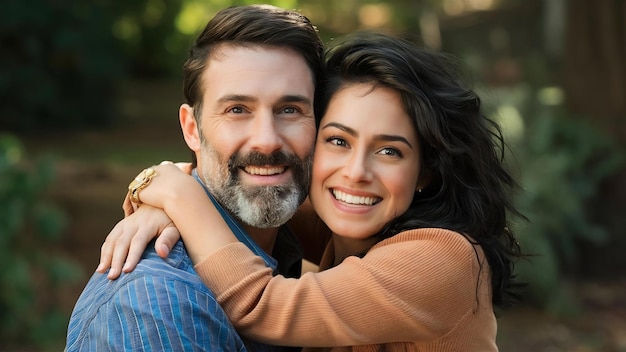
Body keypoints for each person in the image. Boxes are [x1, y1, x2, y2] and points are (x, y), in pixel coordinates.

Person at [101, 32, 524, 351]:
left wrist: (180, 198)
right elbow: (242, 198)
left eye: (390, 151)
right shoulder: (339, 224)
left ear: (425, 173)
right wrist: (161, 197)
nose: (356, 172)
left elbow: (259, 304)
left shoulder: (442, 260)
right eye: (339, 141)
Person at [65, 4, 324, 351]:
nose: (266, 139)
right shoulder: (155, 304)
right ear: (192, 129)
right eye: (237, 110)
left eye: (289, 110)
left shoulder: (299, 244)